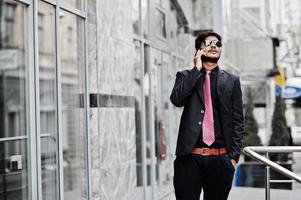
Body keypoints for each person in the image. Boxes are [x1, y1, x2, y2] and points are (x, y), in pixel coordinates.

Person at [170, 31, 244, 200]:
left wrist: (233, 158)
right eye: (208, 43)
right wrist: (196, 70)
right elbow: (177, 99)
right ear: (199, 49)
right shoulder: (185, 76)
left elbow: (238, 121)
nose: (213, 46)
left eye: (217, 44)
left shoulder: (231, 81)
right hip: (189, 159)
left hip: (220, 159)